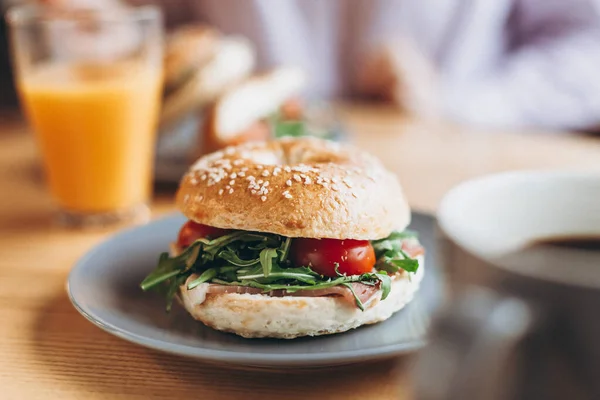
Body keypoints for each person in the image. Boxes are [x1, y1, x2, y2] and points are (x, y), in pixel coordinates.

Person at [36, 0, 600, 131]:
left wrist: (458, 100)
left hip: (451, 152)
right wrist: (107, 25)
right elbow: (158, 17)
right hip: (219, 151)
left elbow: (586, 43)